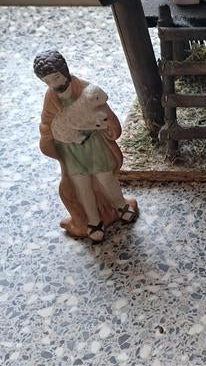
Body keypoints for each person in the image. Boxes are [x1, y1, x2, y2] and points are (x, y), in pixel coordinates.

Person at [34, 49, 138, 242]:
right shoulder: (51, 97)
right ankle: (93, 221)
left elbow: (104, 111)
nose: (54, 84)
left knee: (106, 178)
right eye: (47, 81)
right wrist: (50, 135)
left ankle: (121, 206)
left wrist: (110, 126)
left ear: (64, 71)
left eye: (56, 77)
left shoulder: (85, 89)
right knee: (82, 186)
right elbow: (46, 122)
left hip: (94, 144)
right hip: (71, 150)